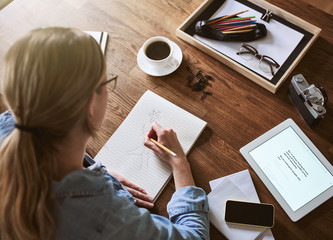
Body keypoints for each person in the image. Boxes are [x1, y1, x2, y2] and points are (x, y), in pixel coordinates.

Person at [0, 27, 209, 240]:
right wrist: (179, 163)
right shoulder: (106, 218)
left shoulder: (8, 124)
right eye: (107, 81)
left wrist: (90, 169)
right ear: (91, 103)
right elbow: (196, 237)